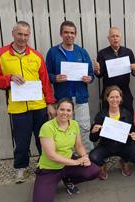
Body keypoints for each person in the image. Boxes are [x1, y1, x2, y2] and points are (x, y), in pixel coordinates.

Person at [0, 21, 56, 183]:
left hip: (39, 105)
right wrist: (9, 78)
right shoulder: (2, 54)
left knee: (43, 138)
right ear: (13, 33)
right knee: (21, 140)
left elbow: (45, 81)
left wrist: (50, 103)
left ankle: (45, 164)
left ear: (29, 35)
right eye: (20, 34)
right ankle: (21, 168)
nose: (23, 38)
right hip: (18, 107)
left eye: (26, 35)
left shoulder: (36, 55)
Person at [32, 98, 99, 202]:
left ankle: (68, 180)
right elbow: (51, 155)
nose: (65, 113)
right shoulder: (47, 127)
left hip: (68, 163)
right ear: (56, 110)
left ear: (72, 112)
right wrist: (76, 162)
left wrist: (85, 157)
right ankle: (52, 181)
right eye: (62, 109)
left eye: (68, 110)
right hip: (50, 168)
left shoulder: (74, 124)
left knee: (93, 171)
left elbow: (79, 146)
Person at [46, 21, 95, 152]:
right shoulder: (53, 52)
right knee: (65, 129)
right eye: (66, 32)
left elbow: (91, 74)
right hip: (63, 100)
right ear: (61, 34)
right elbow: (46, 75)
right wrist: (54, 78)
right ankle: (69, 158)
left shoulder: (82, 52)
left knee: (84, 129)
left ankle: (87, 157)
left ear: (76, 34)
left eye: (72, 33)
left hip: (81, 99)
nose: (69, 35)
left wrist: (89, 78)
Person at [89, 85, 135, 180]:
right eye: (111, 97)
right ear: (107, 98)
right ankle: (102, 165)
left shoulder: (127, 114)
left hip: (123, 145)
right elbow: (93, 139)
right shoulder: (101, 115)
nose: (114, 100)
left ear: (121, 98)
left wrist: (134, 136)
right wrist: (93, 132)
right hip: (106, 146)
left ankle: (124, 161)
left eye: (117, 97)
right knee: (93, 157)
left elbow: (132, 132)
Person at [94, 27, 135, 114]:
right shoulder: (102, 53)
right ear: (108, 38)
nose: (115, 38)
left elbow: (134, 73)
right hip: (108, 92)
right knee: (108, 117)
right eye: (112, 36)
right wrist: (97, 70)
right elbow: (99, 75)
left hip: (125, 92)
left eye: (117, 36)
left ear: (120, 37)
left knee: (127, 116)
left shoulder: (128, 52)